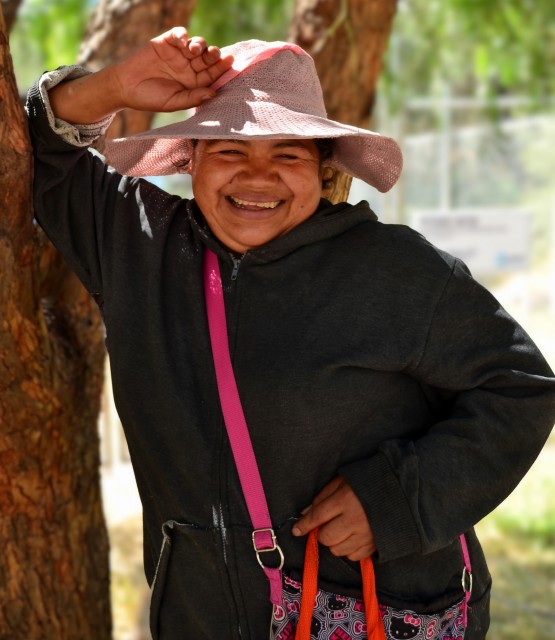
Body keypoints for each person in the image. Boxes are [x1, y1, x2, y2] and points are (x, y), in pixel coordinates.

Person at [26, 27, 555, 640]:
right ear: (190, 157)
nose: (258, 177)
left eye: (287, 153)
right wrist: (116, 84)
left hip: (381, 608)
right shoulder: (137, 243)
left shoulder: (398, 271)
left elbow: (520, 387)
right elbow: (40, 148)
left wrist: (394, 503)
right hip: (203, 618)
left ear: (323, 167)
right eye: (228, 151)